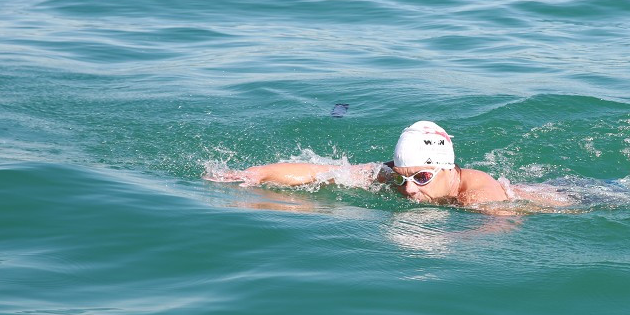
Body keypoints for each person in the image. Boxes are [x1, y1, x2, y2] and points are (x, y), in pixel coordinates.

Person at [206, 121, 516, 207]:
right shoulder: (394, 177)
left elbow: (500, 224)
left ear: (447, 169)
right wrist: (257, 174)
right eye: (400, 176)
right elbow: (322, 173)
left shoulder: (476, 191)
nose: (407, 188)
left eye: (421, 177)